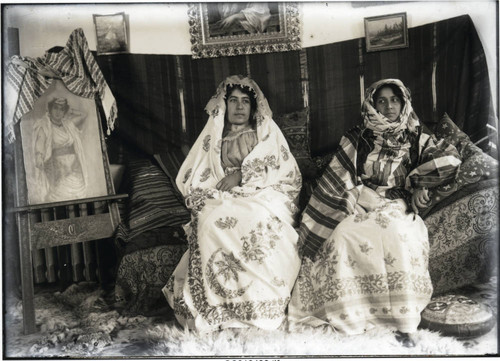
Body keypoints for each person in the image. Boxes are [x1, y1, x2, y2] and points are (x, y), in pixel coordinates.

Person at [288, 79, 462, 347]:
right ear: (372, 104)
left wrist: (418, 184)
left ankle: (400, 318)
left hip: (395, 203)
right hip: (360, 199)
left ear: (403, 102)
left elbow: (450, 160)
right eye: (382, 101)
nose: (389, 106)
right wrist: (353, 198)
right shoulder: (358, 137)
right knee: (343, 235)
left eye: (394, 100)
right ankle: (352, 313)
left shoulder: (416, 136)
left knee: (396, 235)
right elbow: (339, 176)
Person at [163, 75, 302, 332]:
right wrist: (222, 184)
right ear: (223, 107)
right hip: (226, 194)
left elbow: (281, 166)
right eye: (233, 101)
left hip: (263, 191)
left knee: (258, 219)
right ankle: (220, 305)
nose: (239, 107)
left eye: (245, 102)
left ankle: (259, 302)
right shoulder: (215, 137)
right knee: (211, 221)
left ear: (254, 107)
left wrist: (242, 176)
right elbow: (202, 170)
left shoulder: (265, 132)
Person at [33, 97, 88, 203]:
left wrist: (69, 110)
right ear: (50, 109)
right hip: (58, 169)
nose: (58, 112)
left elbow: (84, 115)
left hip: (75, 168)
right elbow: (40, 142)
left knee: (78, 197)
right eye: (55, 108)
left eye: (61, 109)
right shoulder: (45, 126)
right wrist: (39, 156)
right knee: (59, 197)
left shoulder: (68, 124)